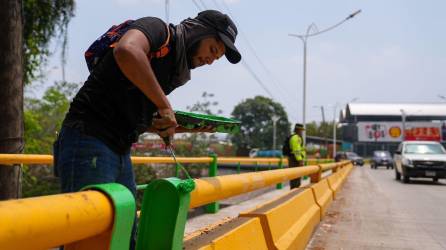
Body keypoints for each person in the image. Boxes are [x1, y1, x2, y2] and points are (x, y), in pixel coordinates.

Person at [52, 10, 241, 249]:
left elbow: (138, 114)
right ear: (199, 31)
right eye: (213, 49)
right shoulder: (158, 30)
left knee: (125, 236)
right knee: (87, 238)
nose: (211, 60)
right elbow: (126, 50)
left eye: (218, 57)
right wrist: (164, 104)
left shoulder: (174, 70)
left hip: (120, 149)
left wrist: (174, 126)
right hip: (89, 139)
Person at [287, 123, 306, 189]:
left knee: (297, 177)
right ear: (297, 130)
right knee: (295, 178)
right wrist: (300, 160)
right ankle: (293, 191)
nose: (302, 132)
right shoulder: (295, 138)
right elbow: (296, 150)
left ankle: (295, 189)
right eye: (301, 130)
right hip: (294, 159)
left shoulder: (298, 137)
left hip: (295, 158)